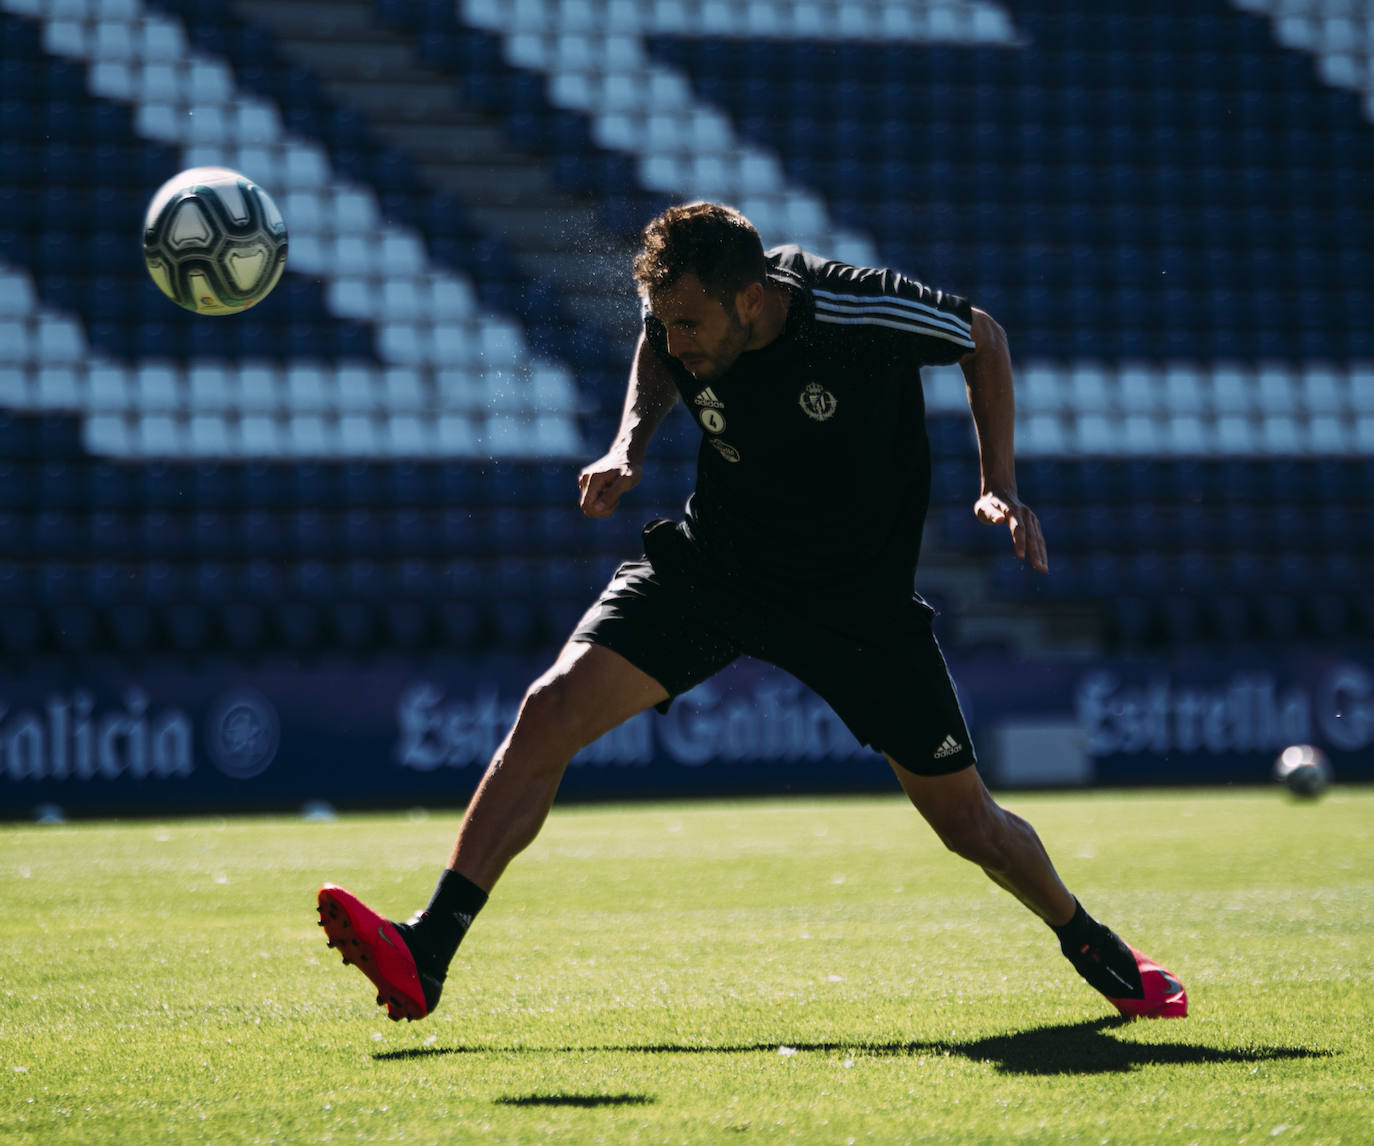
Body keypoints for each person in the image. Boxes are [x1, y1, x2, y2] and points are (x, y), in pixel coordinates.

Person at [317, 202, 1186, 1023]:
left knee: (968, 824)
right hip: (719, 567)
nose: (675, 340)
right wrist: (630, 445)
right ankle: (427, 949)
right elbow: (658, 350)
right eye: (665, 321)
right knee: (550, 711)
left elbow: (982, 337)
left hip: (856, 603)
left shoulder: (855, 311)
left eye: (692, 323)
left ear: (752, 296)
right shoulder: (681, 329)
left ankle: (1090, 942)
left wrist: (999, 485)